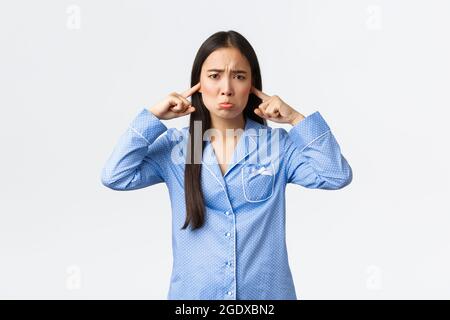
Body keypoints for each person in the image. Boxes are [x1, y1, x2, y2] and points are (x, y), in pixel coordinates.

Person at [101, 30, 353, 300]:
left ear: (252, 85)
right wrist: (152, 118)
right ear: (198, 83)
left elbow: (336, 175)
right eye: (215, 75)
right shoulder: (176, 147)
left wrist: (296, 119)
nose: (227, 88)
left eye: (239, 76)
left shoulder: (278, 146)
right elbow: (116, 176)